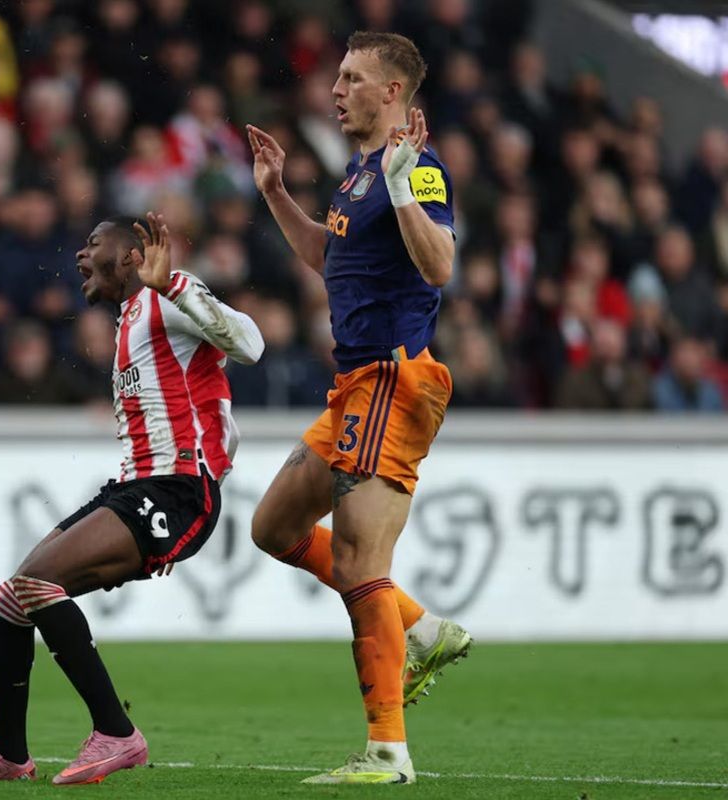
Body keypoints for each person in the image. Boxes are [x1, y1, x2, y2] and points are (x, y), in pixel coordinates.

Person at [0, 213, 263, 785]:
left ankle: (116, 732)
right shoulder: (129, 318)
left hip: (177, 488)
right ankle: (10, 755)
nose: (80, 256)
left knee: (38, 584)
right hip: (138, 486)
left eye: (93, 244)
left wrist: (174, 284)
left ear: (133, 255)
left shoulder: (167, 296)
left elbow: (252, 345)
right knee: (14, 595)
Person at [246, 32, 471, 785]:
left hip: (392, 380)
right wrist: (275, 191)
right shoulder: (359, 173)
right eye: (338, 77)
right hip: (353, 388)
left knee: (358, 563)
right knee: (273, 526)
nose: (336, 90)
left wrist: (404, 189)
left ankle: (388, 753)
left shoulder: (418, 169)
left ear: (392, 92)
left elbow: (440, 265)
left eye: (351, 78)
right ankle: (424, 628)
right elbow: (327, 256)